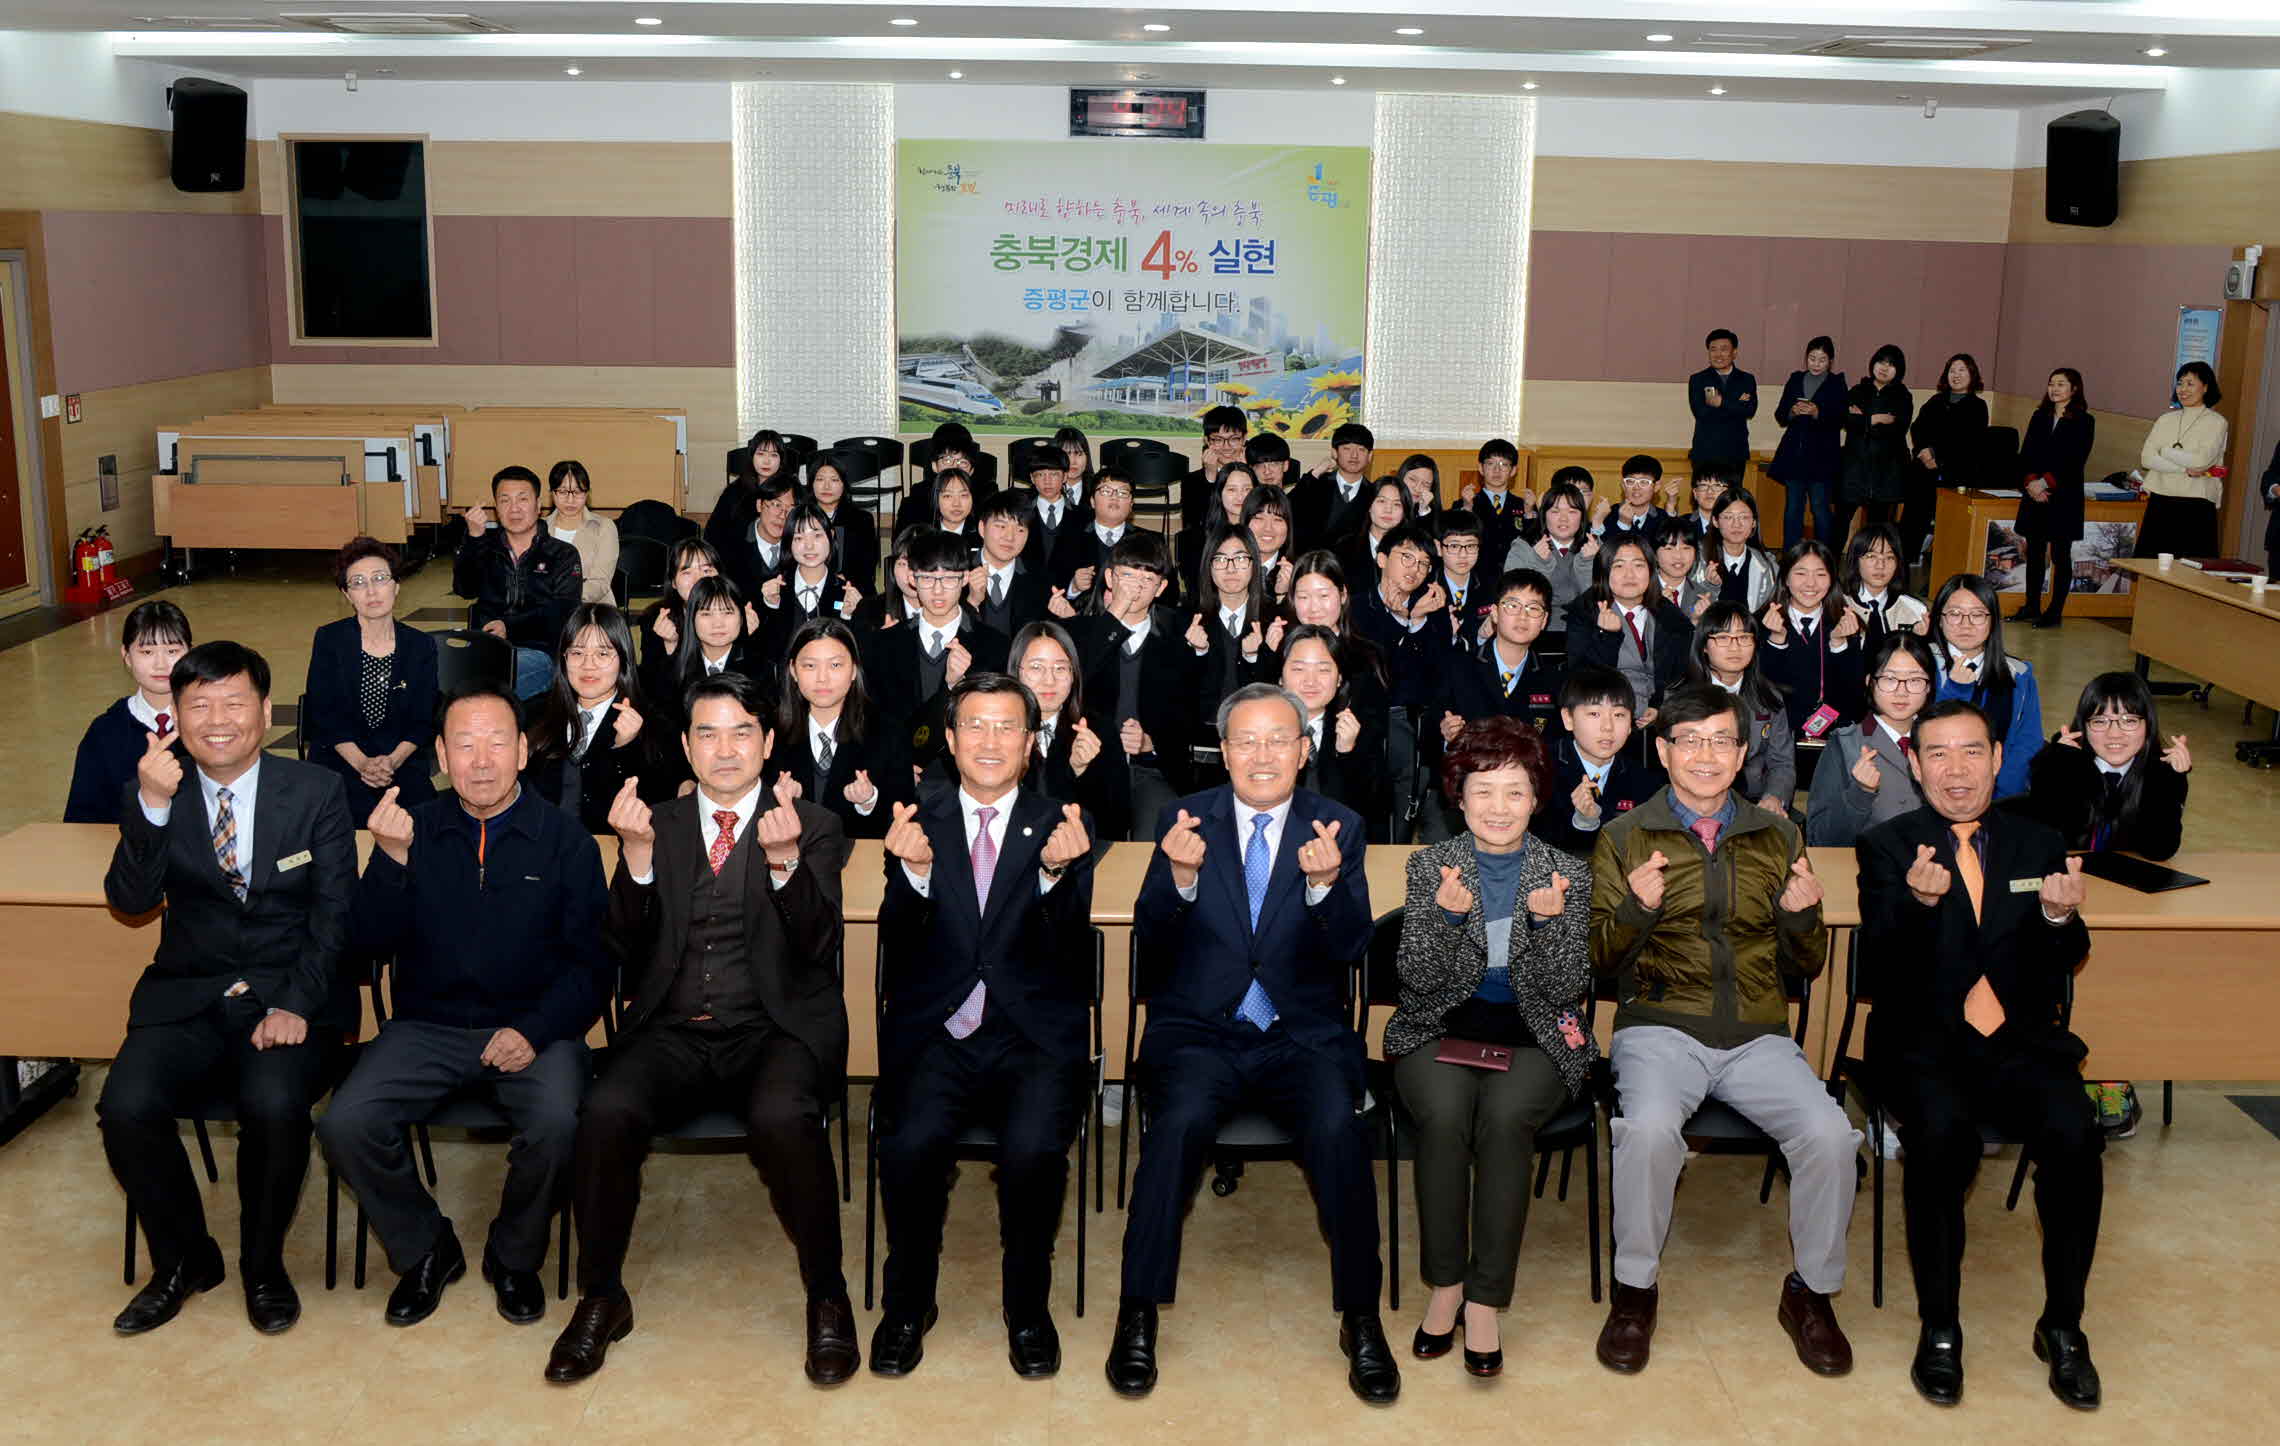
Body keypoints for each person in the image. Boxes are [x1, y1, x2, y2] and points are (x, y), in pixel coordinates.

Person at [548, 672, 856, 1385]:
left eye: (742, 732)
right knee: (604, 1110)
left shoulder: (812, 824)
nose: (725, 750)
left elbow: (817, 947)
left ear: (769, 742)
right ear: (685, 747)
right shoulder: (658, 823)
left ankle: (828, 1295)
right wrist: (634, 859)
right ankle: (602, 1295)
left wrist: (785, 865)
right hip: (674, 1026)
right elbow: (621, 945)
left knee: (784, 1115)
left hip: (772, 1025)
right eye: (708, 734)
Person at [1107, 683, 1394, 1404]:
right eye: (1246, 741)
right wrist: (1177, 877)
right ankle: (1137, 1310)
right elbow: (1152, 940)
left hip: (1301, 1033)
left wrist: (1327, 889)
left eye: (1278, 741)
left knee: (1339, 1127)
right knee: (1173, 1129)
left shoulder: (1339, 826)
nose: (1262, 756)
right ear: (1224, 751)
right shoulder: (1184, 818)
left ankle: (1360, 1314)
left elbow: (1354, 946)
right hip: (1201, 1031)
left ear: (1304, 750)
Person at [320, 682, 609, 1328]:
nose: (482, 761)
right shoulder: (412, 828)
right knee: (345, 1124)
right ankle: (426, 1248)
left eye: (497, 743)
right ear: (442, 758)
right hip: (428, 1025)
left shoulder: (567, 843)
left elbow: (592, 968)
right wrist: (390, 864)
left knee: (561, 1121)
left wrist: (533, 1031)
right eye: (465, 745)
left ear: (524, 753)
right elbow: (363, 947)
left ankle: (514, 1255)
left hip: (535, 1028)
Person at [1587, 684, 1855, 1378]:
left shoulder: (1779, 834)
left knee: (1830, 1136)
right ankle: (1635, 1290)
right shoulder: (1623, 837)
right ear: (1665, 750)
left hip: (1756, 1031)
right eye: (1690, 741)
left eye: (1721, 742)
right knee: (1645, 1132)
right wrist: (1637, 911)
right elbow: (1598, 959)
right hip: (1659, 1027)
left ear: (1743, 755)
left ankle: (1812, 1292)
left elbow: (1810, 962)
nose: (1705, 755)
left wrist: (1801, 917)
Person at [96, 641, 355, 1336]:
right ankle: (185, 1259)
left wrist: (297, 1002)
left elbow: (336, 915)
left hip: (290, 993)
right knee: (124, 1106)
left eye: (235, 702)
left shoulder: (316, 791)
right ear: (175, 716)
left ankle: (263, 1264)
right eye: (199, 705)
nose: (218, 719)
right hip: (188, 992)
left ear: (267, 711)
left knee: (274, 1104)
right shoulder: (157, 789)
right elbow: (128, 898)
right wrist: (150, 806)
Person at [1855, 700, 2101, 1409]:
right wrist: (1918, 907)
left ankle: (2063, 1327)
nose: (1955, 771)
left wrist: (2058, 917)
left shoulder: (2037, 839)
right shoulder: (1890, 846)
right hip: (1926, 1044)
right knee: (1939, 1142)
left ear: (1998, 758)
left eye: (1971, 752)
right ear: (1914, 762)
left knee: (2076, 1138)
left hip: (2023, 1043)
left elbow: (2067, 953)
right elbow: (1882, 970)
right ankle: (1940, 1327)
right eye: (1937, 754)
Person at [871, 673, 1098, 1379]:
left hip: (1029, 1033)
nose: (990, 741)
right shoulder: (921, 816)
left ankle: (1027, 1307)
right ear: (949, 739)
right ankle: (908, 1303)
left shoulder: (1060, 821)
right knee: (907, 1146)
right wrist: (909, 875)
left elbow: (1068, 954)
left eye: (1007, 728)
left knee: (1033, 1153)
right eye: (974, 725)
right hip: (938, 1032)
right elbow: (896, 942)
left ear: (1031, 744)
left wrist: (1059, 880)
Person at [1385, 718, 1595, 1378]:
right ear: (1459, 795)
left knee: (1506, 1121)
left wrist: (1546, 924)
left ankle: (1485, 1299)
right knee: (1445, 1118)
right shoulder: (1429, 865)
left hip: (1535, 1031)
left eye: (1514, 792)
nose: (1497, 808)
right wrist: (1446, 921)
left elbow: (1566, 989)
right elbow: (1417, 980)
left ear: (1536, 799)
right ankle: (1446, 1284)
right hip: (1440, 1025)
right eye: (1483, 791)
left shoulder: (1567, 873)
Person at [1073, 531, 1198, 840]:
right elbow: (1075, 681)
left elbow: (1188, 718)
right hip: (1091, 766)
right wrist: (1114, 616)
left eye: (1147, 580)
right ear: (1111, 579)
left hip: (1150, 769)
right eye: (1128, 576)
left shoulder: (1177, 640)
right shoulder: (1080, 632)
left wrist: (1151, 743)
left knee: (1160, 835)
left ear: (1161, 588)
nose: (1136, 588)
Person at [304, 539, 439, 822]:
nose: (371, 590)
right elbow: (324, 715)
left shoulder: (420, 645)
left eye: (380, 578)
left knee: (429, 825)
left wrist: (390, 762)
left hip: (400, 763)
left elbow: (423, 719)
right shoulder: (329, 640)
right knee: (328, 820)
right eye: (358, 582)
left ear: (396, 586)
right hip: (341, 761)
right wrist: (363, 763)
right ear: (347, 594)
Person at [863, 529, 1012, 783]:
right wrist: (895, 764)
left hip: (968, 781)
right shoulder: (884, 644)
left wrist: (955, 686)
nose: (938, 590)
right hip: (900, 780)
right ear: (912, 578)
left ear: (965, 578)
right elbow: (873, 718)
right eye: (928, 579)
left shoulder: (994, 645)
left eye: (949, 579)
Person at [528, 603, 677, 833]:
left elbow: (656, 809)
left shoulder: (652, 722)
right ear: (564, 658)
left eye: (603, 653)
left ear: (624, 659)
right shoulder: (534, 714)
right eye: (577, 653)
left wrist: (624, 748)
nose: (588, 665)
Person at [2019, 670, 2189, 863]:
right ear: (2083, 727)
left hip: (2124, 886)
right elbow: (2047, 843)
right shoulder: (2060, 764)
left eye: (2129, 721)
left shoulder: (2158, 774)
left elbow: (2158, 850)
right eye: (2100, 721)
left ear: (2148, 725)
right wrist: (2060, 768)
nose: (2114, 734)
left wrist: (2171, 779)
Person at [768, 617, 914, 841]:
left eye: (835, 665)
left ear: (854, 670)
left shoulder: (888, 733)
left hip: (863, 865)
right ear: (793, 671)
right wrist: (777, 801)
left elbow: (906, 816)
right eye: (810, 666)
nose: (822, 678)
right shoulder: (769, 734)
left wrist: (869, 801)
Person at [1352, 523, 1454, 841]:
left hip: (1419, 732)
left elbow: (1439, 673)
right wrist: (1407, 623)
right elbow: (1374, 672)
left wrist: (1419, 620)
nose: (1415, 569)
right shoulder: (1357, 607)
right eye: (1407, 557)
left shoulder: (1433, 610)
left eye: (1424, 563)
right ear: (1382, 558)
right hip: (1372, 729)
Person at [456, 465, 586, 699]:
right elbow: (464, 588)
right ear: (496, 508)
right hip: (486, 647)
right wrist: (474, 540)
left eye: (522, 499)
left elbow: (564, 611)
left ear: (538, 506)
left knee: (494, 682)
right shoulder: (484, 548)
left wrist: (510, 626)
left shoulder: (562, 554)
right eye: (505, 500)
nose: (514, 508)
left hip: (540, 651)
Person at [66, 600, 192, 824]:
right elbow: (82, 820)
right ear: (126, 655)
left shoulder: (209, 723)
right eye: (147, 651)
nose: (161, 664)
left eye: (172, 650)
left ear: (190, 653)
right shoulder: (104, 731)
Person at [1757, 538, 1870, 788]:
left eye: (1820, 574)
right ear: (1785, 578)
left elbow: (1854, 700)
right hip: (1775, 745)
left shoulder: (1845, 623)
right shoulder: (1761, 623)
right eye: (1800, 573)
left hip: (1830, 743)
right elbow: (1762, 693)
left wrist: (1839, 645)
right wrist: (1776, 643)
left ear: (1831, 580)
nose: (1810, 583)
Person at [1805, 632, 1934, 846]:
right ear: (1870, 682)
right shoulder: (1845, 744)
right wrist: (1861, 793)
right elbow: (1820, 838)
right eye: (1889, 679)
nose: (1901, 692)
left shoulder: (1944, 742)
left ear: (1928, 686)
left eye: (1915, 680)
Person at [1927, 573, 2043, 797]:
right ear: (1939, 619)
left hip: (1999, 796)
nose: (1966, 624)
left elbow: (2028, 741)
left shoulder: (2018, 673)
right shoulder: (1920, 666)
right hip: (1934, 794)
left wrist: (2001, 792)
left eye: (1978, 614)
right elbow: (1925, 735)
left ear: (1992, 620)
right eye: (1955, 614)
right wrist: (1955, 689)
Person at [1533, 667, 1663, 856]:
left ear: (1630, 724)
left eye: (1619, 715)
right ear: (1568, 718)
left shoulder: (1646, 783)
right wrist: (1584, 821)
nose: (1607, 727)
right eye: (1594, 714)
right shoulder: (1539, 770)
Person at [1564, 536, 1691, 728]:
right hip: (1603, 718)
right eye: (1619, 566)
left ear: (1651, 571)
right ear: (1604, 572)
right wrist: (1607, 637)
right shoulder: (1585, 613)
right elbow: (1580, 679)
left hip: (1662, 718)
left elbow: (1682, 676)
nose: (1629, 575)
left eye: (1638, 565)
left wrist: (1660, 707)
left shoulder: (1670, 616)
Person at [1686, 601, 1796, 817]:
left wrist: (1773, 797)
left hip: (1755, 803)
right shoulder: (1682, 697)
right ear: (1704, 646)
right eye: (1723, 638)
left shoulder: (1769, 698)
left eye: (1744, 638)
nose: (1735, 647)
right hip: (1696, 803)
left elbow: (1782, 762)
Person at [2013, 368, 2096, 629]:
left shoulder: (2084, 421)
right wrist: (2030, 483)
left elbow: (2074, 460)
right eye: (2051, 384)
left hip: (2063, 497)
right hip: (2035, 495)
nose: (2055, 389)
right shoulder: (2040, 416)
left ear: (2074, 389)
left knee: (2061, 554)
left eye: (2061, 384)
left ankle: (2054, 611)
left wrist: (2044, 482)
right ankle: (2031, 606)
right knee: (2035, 553)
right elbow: (2026, 453)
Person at [1279, 623, 1385, 830]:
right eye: (1299, 669)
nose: (1311, 681)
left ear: (1339, 679)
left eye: (1323, 669)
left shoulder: (1357, 730)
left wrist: (1346, 753)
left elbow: (1371, 811)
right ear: (1280, 678)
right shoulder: (1261, 730)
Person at [1442, 568, 1564, 740]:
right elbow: (1428, 744)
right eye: (1513, 606)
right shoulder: (1457, 667)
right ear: (1494, 612)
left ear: (1544, 621)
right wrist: (1447, 737)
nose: (1522, 616)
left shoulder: (1555, 681)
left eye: (1533, 608)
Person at [2135, 360, 2229, 560]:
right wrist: (2183, 470)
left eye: (2190, 383)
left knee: (2191, 570)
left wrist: (2165, 451)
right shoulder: (2165, 419)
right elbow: (2147, 459)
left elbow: (2201, 461)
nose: (2183, 389)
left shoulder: (2217, 422)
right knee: (2152, 567)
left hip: (2196, 505)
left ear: (2205, 387)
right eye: (2180, 383)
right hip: (2161, 500)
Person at [1907, 355, 1989, 570]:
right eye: (1952, 370)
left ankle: (1940, 565)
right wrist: (1923, 451)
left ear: (1972, 375)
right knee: (1915, 515)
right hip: (1924, 468)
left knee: (1948, 523)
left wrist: (1938, 457)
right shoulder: (1936, 401)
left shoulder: (1977, 406)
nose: (1956, 375)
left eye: (1962, 370)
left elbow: (1967, 441)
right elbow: (1918, 428)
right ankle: (1909, 558)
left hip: (1956, 473)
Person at [758, 501, 864, 658]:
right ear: (789, 543)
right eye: (799, 538)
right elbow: (768, 652)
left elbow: (854, 653)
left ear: (831, 536)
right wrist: (772, 607)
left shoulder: (846, 592)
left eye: (817, 536)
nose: (809, 546)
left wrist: (847, 615)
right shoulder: (773, 589)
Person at [1502, 478, 1599, 648]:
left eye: (1572, 512)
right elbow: (1512, 595)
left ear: (1582, 516)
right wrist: (1540, 564)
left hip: (1585, 632)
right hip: (1532, 631)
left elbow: (1599, 601)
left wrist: (1588, 563)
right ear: (1543, 515)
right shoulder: (1524, 545)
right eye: (1555, 511)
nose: (1563, 519)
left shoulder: (1595, 546)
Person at [1770, 336, 1846, 545]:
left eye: (1822, 359)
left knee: (1820, 509)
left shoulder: (1836, 383)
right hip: (1796, 455)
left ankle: (1824, 555)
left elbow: (1841, 419)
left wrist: (1817, 412)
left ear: (1830, 361)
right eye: (1812, 358)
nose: (1816, 364)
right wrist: (1792, 411)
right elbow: (1780, 415)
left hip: (1822, 458)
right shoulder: (1796, 379)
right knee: (1793, 508)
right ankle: (1790, 555)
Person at [635, 537, 723, 705]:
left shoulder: (736, 617)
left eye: (706, 570)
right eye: (687, 572)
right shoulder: (656, 619)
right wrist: (671, 648)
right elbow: (653, 693)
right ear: (673, 582)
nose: (698, 580)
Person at [1839, 344, 1915, 534]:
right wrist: (1875, 419)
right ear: (1873, 363)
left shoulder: (1903, 396)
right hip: (1854, 469)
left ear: (1899, 370)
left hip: (1886, 473)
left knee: (1878, 528)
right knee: (1839, 522)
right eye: (1881, 361)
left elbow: (1897, 430)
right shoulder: (1857, 391)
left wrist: (1862, 422)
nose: (1884, 367)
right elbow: (1845, 421)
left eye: (1891, 364)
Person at [671, 575, 770, 716]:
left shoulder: (761, 669)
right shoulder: (674, 668)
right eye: (706, 614)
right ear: (691, 619)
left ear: (742, 618)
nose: (718, 623)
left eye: (727, 612)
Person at [1049, 468, 1136, 612]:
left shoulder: (1150, 542)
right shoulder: (1068, 538)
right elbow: (1051, 585)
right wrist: (1074, 587)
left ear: (1131, 504)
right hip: (1081, 620)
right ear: (1092, 501)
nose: (1114, 497)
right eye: (1106, 491)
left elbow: (1169, 595)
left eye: (1122, 493)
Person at [967, 489, 1051, 636]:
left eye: (1020, 530)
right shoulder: (958, 571)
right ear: (982, 528)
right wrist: (971, 603)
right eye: (1001, 526)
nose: (1010, 537)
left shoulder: (1039, 578)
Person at [1839, 522, 1929, 652]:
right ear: (1855, 560)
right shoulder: (1839, 605)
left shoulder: (1915, 610)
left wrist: (1917, 643)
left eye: (1889, 557)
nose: (1880, 565)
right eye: (1871, 556)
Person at [1290, 421, 1375, 554]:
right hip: (1313, 564)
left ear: (1370, 456)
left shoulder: (1375, 494)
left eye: (1361, 449)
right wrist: (1316, 472)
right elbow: (1287, 509)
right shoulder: (1315, 485)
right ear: (1334, 453)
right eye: (1347, 448)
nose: (1354, 455)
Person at [803, 449, 879, 597]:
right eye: (820, 479)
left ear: (844, 484)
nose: (826, 486)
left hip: (852, 588)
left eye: (834, 480)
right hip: (810, 588)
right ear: (811, 484)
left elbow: (867, 566)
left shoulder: (862, 520)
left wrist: (845, 582)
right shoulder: (800, 518)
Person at [545, 460, 621, 605]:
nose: (570, 499)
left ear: (587, 493)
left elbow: (601, 582)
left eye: (577, 492)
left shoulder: (604, 527)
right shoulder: (540, 528)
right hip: (545, 611)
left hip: (592, 611)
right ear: (552, 493)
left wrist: (563, 597)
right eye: (562, 492)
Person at [1178, 461, 1258, 595]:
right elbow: (1196, 589)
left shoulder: (1265, 534)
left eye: (1247, 489)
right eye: (1232, 489)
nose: (1240, 497)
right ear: (1219, 494)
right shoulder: (1198, 537)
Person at [1013, 438, 1088, 578]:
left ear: (1065, 476)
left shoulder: (1084, 516)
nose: (1047, 481)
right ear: (1032, 478)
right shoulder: (1018, 514)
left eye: (1054, 474)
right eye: (1040, 475)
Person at [1687, 329, 1757, 476]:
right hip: (1705, 451)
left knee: (1733, 497)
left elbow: (1749, 410)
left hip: (1735, 452)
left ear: (1735, 352)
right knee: (1702, 496)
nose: (1718, 354)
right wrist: (1736, 404)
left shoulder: (1746, 379)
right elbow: (1701, 412)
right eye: (1713, 349)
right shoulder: (1698, 379)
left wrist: (1721, 403)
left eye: (1724, 349)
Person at [1701, 488, 1778, 612]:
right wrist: (1709, 586)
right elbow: (1689, 611)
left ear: (1754, 522)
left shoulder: (1767, 565)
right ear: (1715, 521)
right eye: (1728, 517)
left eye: (1744, 517)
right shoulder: (1698, 560)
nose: (1736, 524)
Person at [1466, 437, 1534, 565]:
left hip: (1514, 576)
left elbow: (1534, 543)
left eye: (1504, 464)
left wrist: (1529, 514)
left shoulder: (1524, 505)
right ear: (1481, 468)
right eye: (1490, 463)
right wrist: (1467, 509)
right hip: (1477, 577)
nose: (1496, 470)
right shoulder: (1465, 504)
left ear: (1513, 470)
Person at [1183, 405, 1251, 527]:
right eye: (1218, 440)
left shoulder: (1257, 475)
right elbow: (1197, 525)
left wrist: (1246, 474)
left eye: (1234, 439)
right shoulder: (1191, 481)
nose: (1226, 447)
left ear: (1244, 439)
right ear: (1207, 441)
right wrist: (1210, 479)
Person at [1431, 510, 1492, 640]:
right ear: (1438, 547)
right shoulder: (1426, 588)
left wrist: (1481, 637)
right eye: (1454, 546)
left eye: (1470, 545)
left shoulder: (1491, 586)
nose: (1463, 555)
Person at [1649, 517, 1712, 622]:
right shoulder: (1643, 593)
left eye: (1686, 548)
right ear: (1654, 554)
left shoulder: (1702, 596)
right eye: (1669, 548)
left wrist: (1695, 621)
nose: (1678, 556)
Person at [1599, 455, 1670, 545]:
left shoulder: (1663, 518)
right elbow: (1607, 553)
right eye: (1630, 481)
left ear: (1656, 486)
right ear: (1623, 485)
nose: (1636, 487)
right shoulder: (1609, 514)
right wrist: (1623, 525)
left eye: (1644, 482)